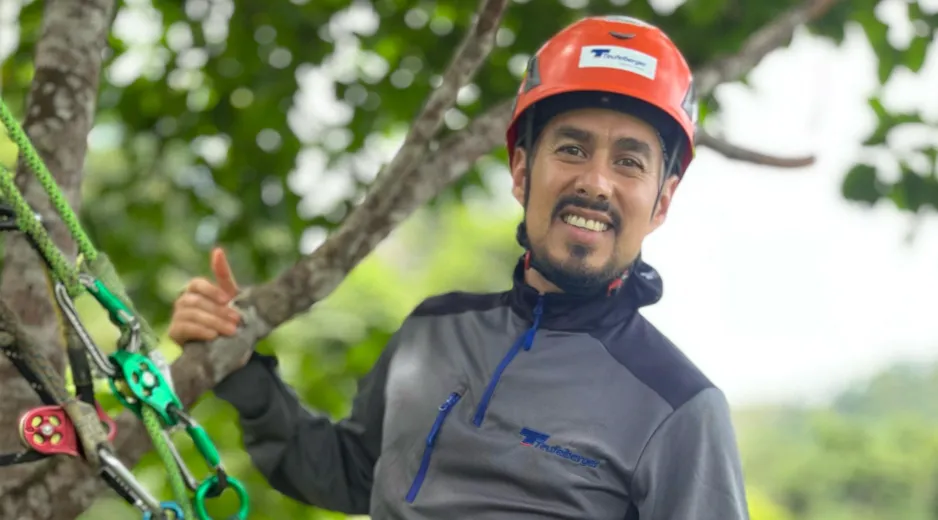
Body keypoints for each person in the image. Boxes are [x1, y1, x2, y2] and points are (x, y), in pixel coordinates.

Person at [168, 15, 750, 519]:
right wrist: (241, 370)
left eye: (629, 161)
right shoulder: (433, 332)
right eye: (571, 149)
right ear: (522, 170)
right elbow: (352, 474)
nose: (595, 182)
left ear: (662, 201)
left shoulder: (679, 408)